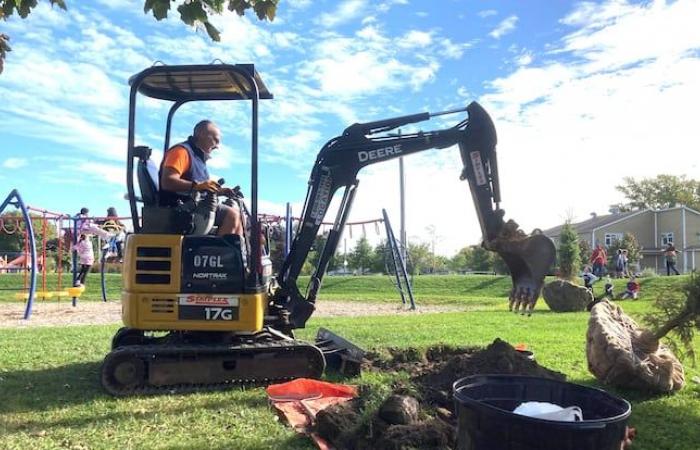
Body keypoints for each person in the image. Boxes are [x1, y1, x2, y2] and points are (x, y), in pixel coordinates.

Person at [159, 120, 243, 237]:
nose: (217, 146)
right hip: (180, 207)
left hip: (195, 204)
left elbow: (202, 189)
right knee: (231, 215)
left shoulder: (197, 157)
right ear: (202, 135)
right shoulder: (181, 152)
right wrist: (197, 186)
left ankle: (238, 253)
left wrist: (221, 191)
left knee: (239, 217)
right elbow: (167, 181)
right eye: (215, 140)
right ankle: (217, 253)